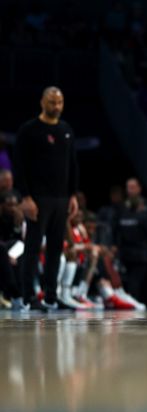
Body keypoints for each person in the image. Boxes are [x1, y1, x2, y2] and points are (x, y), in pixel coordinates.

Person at [14, 86, 80, 311]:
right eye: (52, 102)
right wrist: (25, 197)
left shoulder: (66, 130)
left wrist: (72, 194)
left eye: (60, 102)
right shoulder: (29, 130)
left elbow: (72, 164)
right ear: (42, 102)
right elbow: (19, 166)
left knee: (55, 248)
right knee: (32, 248)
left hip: (61, 198)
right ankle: (28, 296)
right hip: (37, 199)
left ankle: (51, 296)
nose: (56, 106)